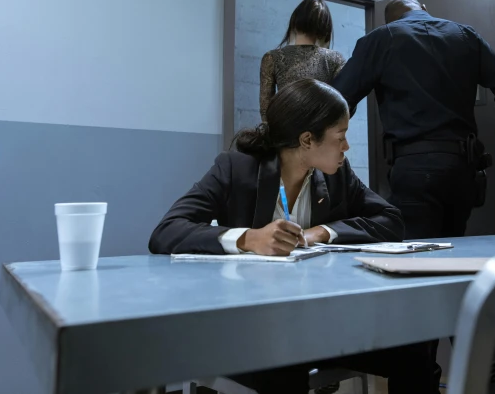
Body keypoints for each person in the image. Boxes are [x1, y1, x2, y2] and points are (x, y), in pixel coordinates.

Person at [149, 79, 433, 394]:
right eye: (341, 136)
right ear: (307, 139)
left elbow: (391, 219)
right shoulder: (236, 168)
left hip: (316, 324)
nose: (346, 147)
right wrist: (248, 239)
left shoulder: (336, 175)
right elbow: (167, 231)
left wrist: (321, 232)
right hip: (250, 326)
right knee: (286, 367)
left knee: (414, 352)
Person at [331, 0, 495, 394]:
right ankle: (493, 381)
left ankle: (423, 384)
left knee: (417, 288)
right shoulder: (464, 36)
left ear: (390, 17)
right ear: (425, 9)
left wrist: (324, 157)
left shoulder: (382, 39)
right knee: (449, 280)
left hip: (415, 174)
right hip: (462, 175)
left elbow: (336, 100)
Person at [259, 0, 345, 122]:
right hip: (322, 133)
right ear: (325, 27)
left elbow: (266, 110)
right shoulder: (335, 59)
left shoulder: (272, 58)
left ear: (294, 21)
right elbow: (344, 105)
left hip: (286, 132)